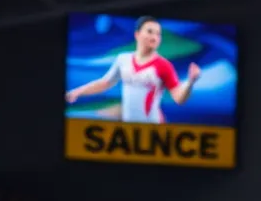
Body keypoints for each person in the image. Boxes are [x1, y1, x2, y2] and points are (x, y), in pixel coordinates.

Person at [65, 15, 201, 124]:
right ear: (137, 34)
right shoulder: (123, 59)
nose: (154, 37)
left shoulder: (163, 65)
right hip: (128, 127)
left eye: (158, 34)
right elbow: (105, 83)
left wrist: (191, 81)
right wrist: (78, 92)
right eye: (150, 32)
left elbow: (178, 98)